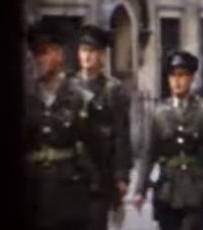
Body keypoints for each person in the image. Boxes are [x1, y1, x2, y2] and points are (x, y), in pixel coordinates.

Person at [134, 51, 203, 230]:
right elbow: (149, 154)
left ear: (192, 78)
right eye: (172, 76)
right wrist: (140, 190)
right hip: (167, 190)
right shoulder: (159, 113)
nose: (177, 81)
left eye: (182, 75)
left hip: (196, 189)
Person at [24, 20, 97, 230]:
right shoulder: (26, 97)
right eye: (36, 54)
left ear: (59, 55)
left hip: (68, 197)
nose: (39, 59)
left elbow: (96, 150)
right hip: (33, 192)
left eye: (45, 53)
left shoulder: (79, 98)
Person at [66, 24, 132, 230]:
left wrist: (121, 175)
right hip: (69, 174)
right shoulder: (67, 86)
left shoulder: (112, 90)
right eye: (83, 51)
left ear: (102, 55)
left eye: (92, 52)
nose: (87, 57)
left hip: (99, 173)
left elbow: (121, 134)